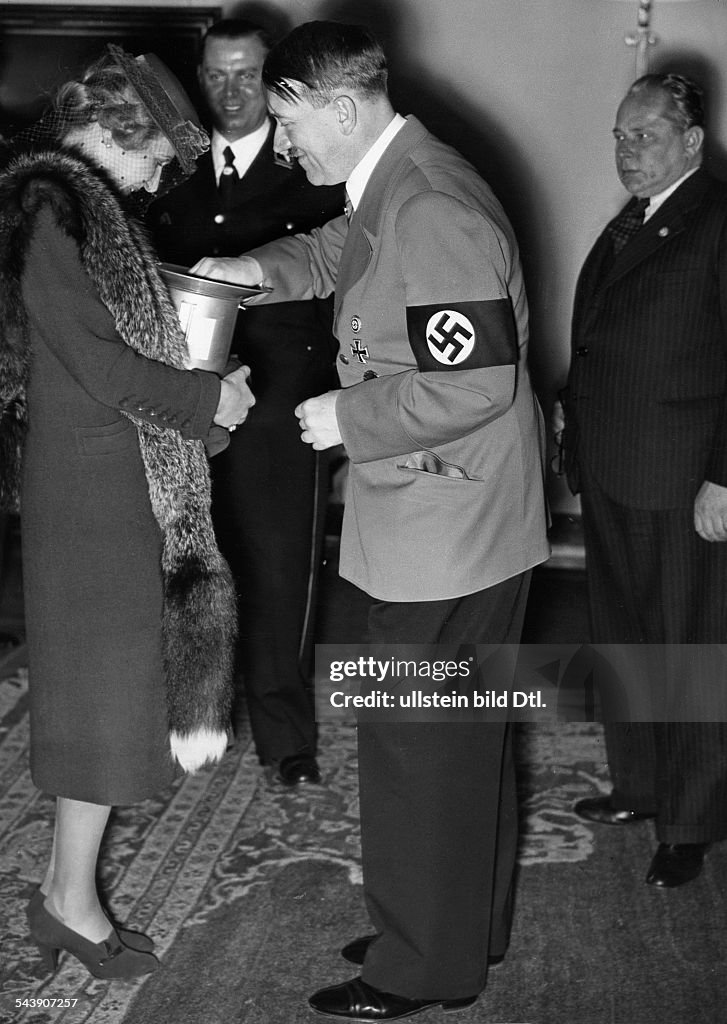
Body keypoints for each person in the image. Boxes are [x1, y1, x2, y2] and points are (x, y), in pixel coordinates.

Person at [192, 20, 549, 1020]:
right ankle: (457, 927)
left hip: (447, 520)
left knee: (414, 741)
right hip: (459, 510)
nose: (286, 141)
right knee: (455, 740)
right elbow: (338, 249)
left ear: (341, 109)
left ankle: (418, 965)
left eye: (292, 121)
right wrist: (253, 270)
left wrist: (342, 415)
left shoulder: (429, 203)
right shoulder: (400, 182)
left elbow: (476, 380)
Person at [0, 46, 254, 979]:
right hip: (88, 493)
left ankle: (68, 898)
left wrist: (206, 391)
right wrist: (204, 403)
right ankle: (68, 903)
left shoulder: (74, 205)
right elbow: (99, 366)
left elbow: (111, 358)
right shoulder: (45, 204)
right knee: (100, 702)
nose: (158, 179)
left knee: (107, 703)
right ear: (112, 132)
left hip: (112, 482)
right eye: (155, 158)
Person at [146, 19, 344, 787]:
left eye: (248, 75)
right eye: (216, 76)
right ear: (199, 78)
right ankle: (191, 720)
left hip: (283, 409)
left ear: (274, 80)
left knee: (279, 566)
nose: (231, 93)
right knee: (190, 560)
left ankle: (285, 739)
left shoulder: (313, 173)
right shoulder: (171, 174)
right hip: (187, 404)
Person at [560, 73, 727, 888]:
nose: (628, 149)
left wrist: (723, 480)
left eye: (646, 134)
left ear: (691, 139)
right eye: (620, 135)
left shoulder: (717, 219)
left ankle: (690, 821)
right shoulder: (632, 219)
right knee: (623, 637)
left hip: (682, 479)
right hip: (613, 466)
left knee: (689, 649)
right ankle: (638, 784)